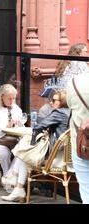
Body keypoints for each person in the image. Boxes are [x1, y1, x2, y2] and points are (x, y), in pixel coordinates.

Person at [1, 90, 70, 202]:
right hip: (68, 157)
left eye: (54, 100)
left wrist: (33, 140)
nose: (51, 102)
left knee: (25, 151)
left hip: (55, 157)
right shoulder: (70, 112)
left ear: (62, 102)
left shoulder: (59, 113)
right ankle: (16, 184)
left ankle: (14, 180)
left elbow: (38, 127)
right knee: (26, 150)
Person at [0, 84, 22, 180]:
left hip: (13, 140)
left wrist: (18, 124)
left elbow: (21, 127)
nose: (12, 101)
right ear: (2, 96)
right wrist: (5, 127)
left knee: (21, 152)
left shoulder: (16, 109)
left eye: (14, 99)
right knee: (4, 153)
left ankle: (10, 177)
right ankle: (9, 180)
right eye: (9, 98)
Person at [66, 72, 89, 204]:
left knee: (86, 189)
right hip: (81, 146)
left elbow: (70, 105)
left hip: (82, 145)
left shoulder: (75, 82)